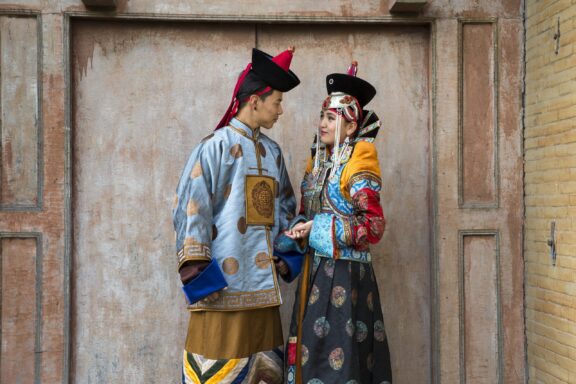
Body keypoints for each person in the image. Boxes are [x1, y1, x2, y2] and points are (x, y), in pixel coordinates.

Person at [172, 47, 304, 384]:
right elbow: (192, 209)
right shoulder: (213, 147)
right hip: (221, 290)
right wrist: (199, 272)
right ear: (255, 100)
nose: (280, 110)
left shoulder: (273, 153)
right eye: (277, 102)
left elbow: (286, 209)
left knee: (266, 374)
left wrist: (284, 254)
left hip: (263, 293)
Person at [283, 62, 393, 383]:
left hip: (345, 277)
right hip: (312, 276)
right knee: (307, 358)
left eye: (331, 118)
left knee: (339, 364)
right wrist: (292, 239)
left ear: (349, 125)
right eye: (322, 116)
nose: (322, 124)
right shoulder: (318, 163)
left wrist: (315, 230)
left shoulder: (359, 159)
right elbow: (306, 215)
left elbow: (372, 224)